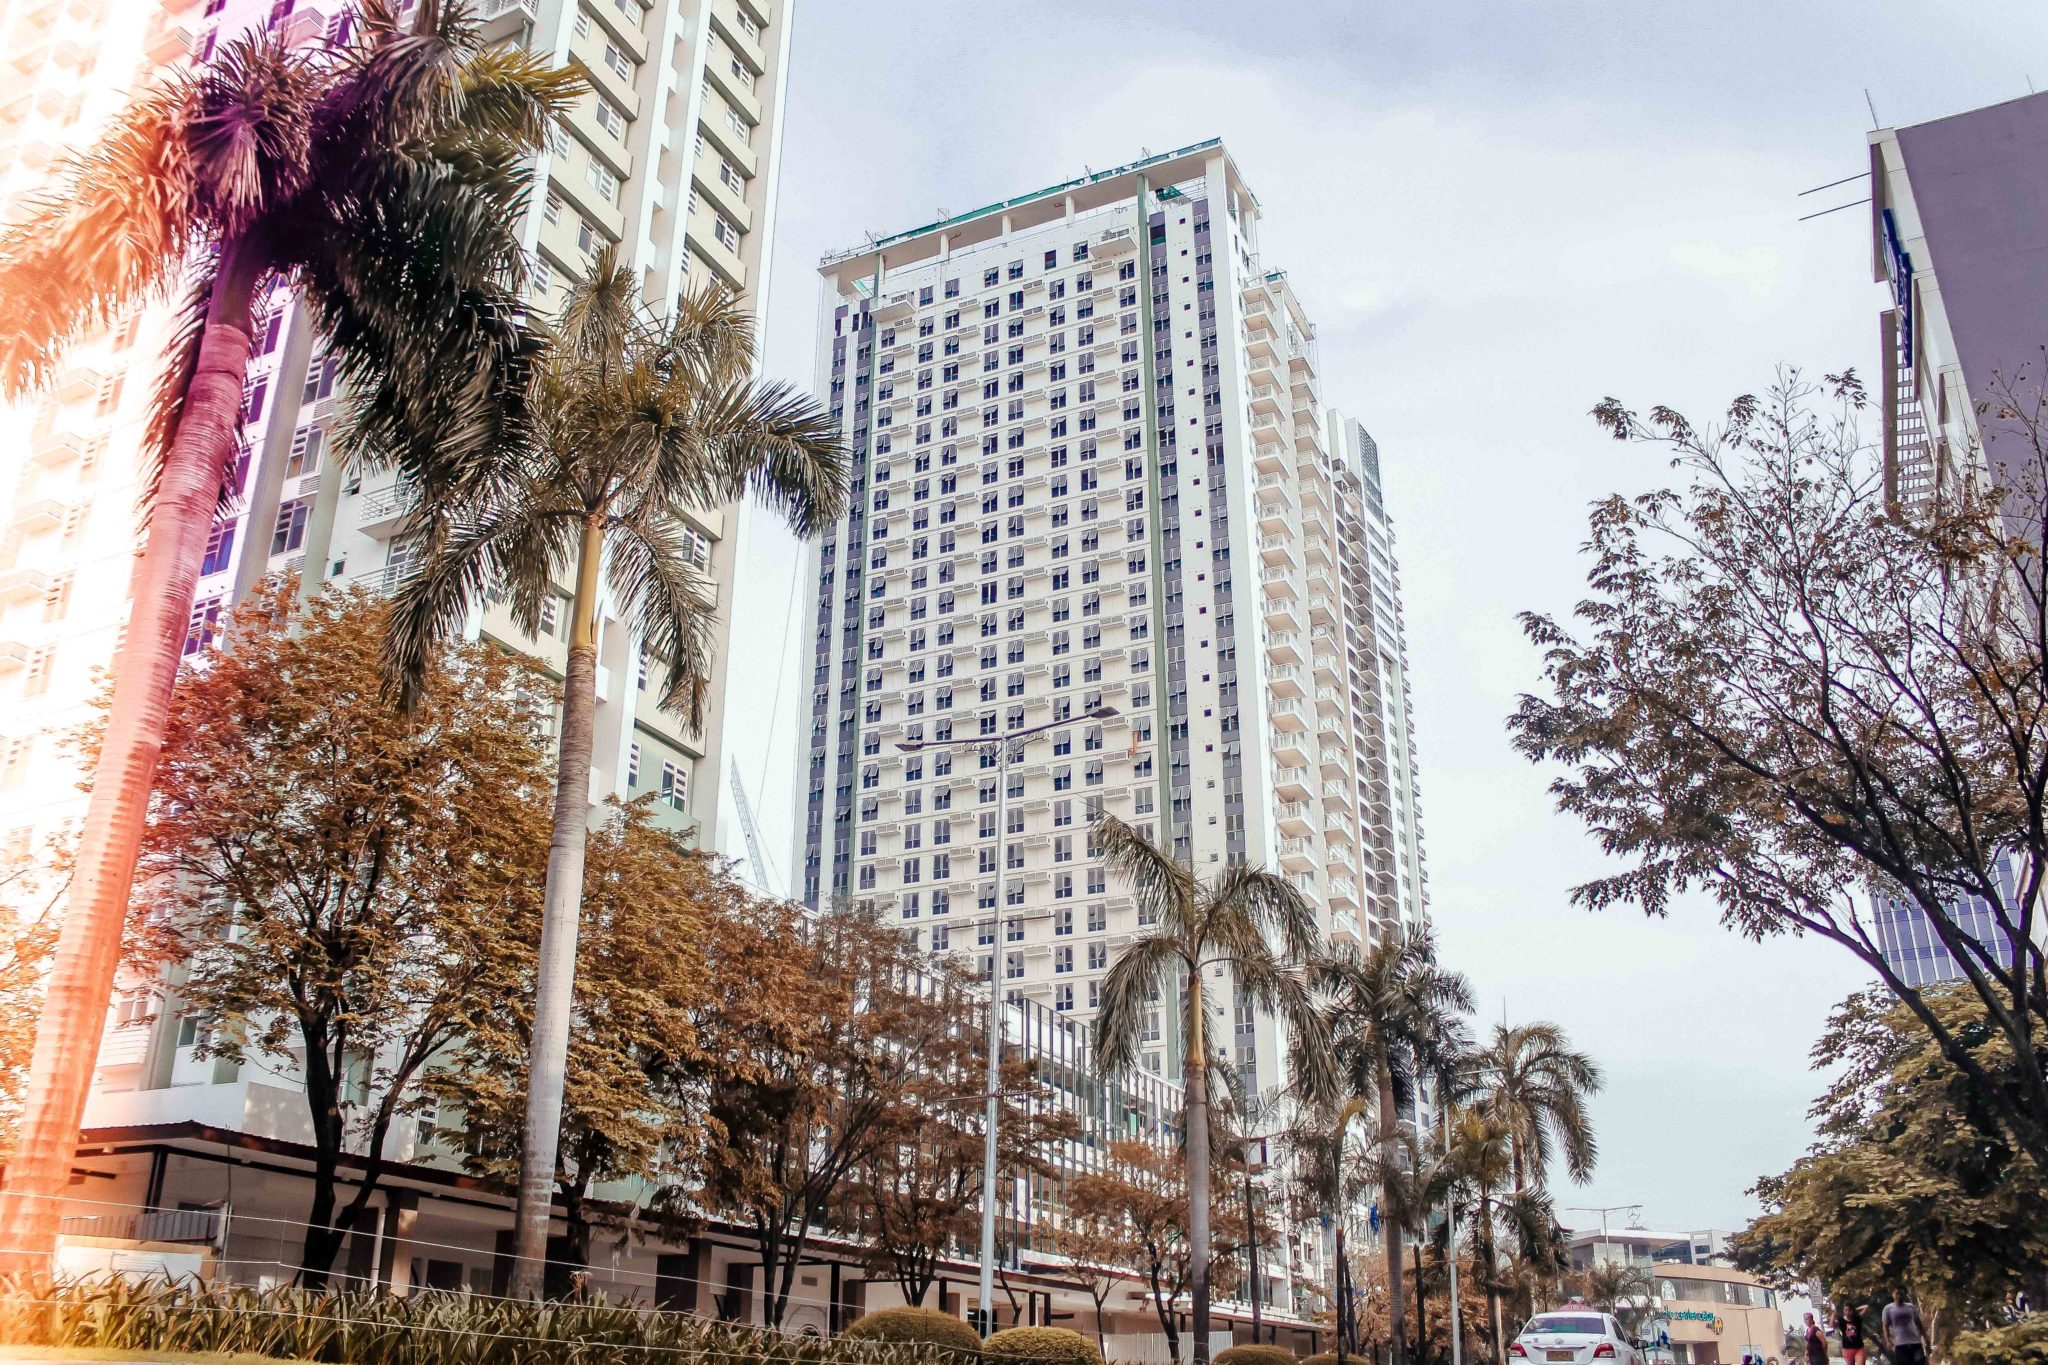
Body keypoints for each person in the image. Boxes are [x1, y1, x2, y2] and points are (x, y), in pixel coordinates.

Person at [1883, 1288, 1930, 1365]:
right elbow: (1885, 1326)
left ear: (1904, 1295)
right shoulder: (1888, 1308)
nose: (1899, 1296)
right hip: (1900, 1344)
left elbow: (1919, 1324)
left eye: (1901, 1294)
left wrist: (1926, 1338)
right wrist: (1887, 1341)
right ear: (1893, 1295)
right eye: (1897, 1294)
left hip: (1915, 1342)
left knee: (1921, 1362)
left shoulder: (1911, 1307)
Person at [1834, 1299, 1870, 1365]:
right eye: (1845, 1310)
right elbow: (1832, 1325)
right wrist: (1833, 1314)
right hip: (1847, 1349)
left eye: (1849, 1310)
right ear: (1843, 1311)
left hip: (1859, 1348)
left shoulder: (1857, 1318)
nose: (1847, 1312)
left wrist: (1855, 1309)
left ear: (1852, 1310)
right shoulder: (1841, 1320)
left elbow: (1866, 1307)